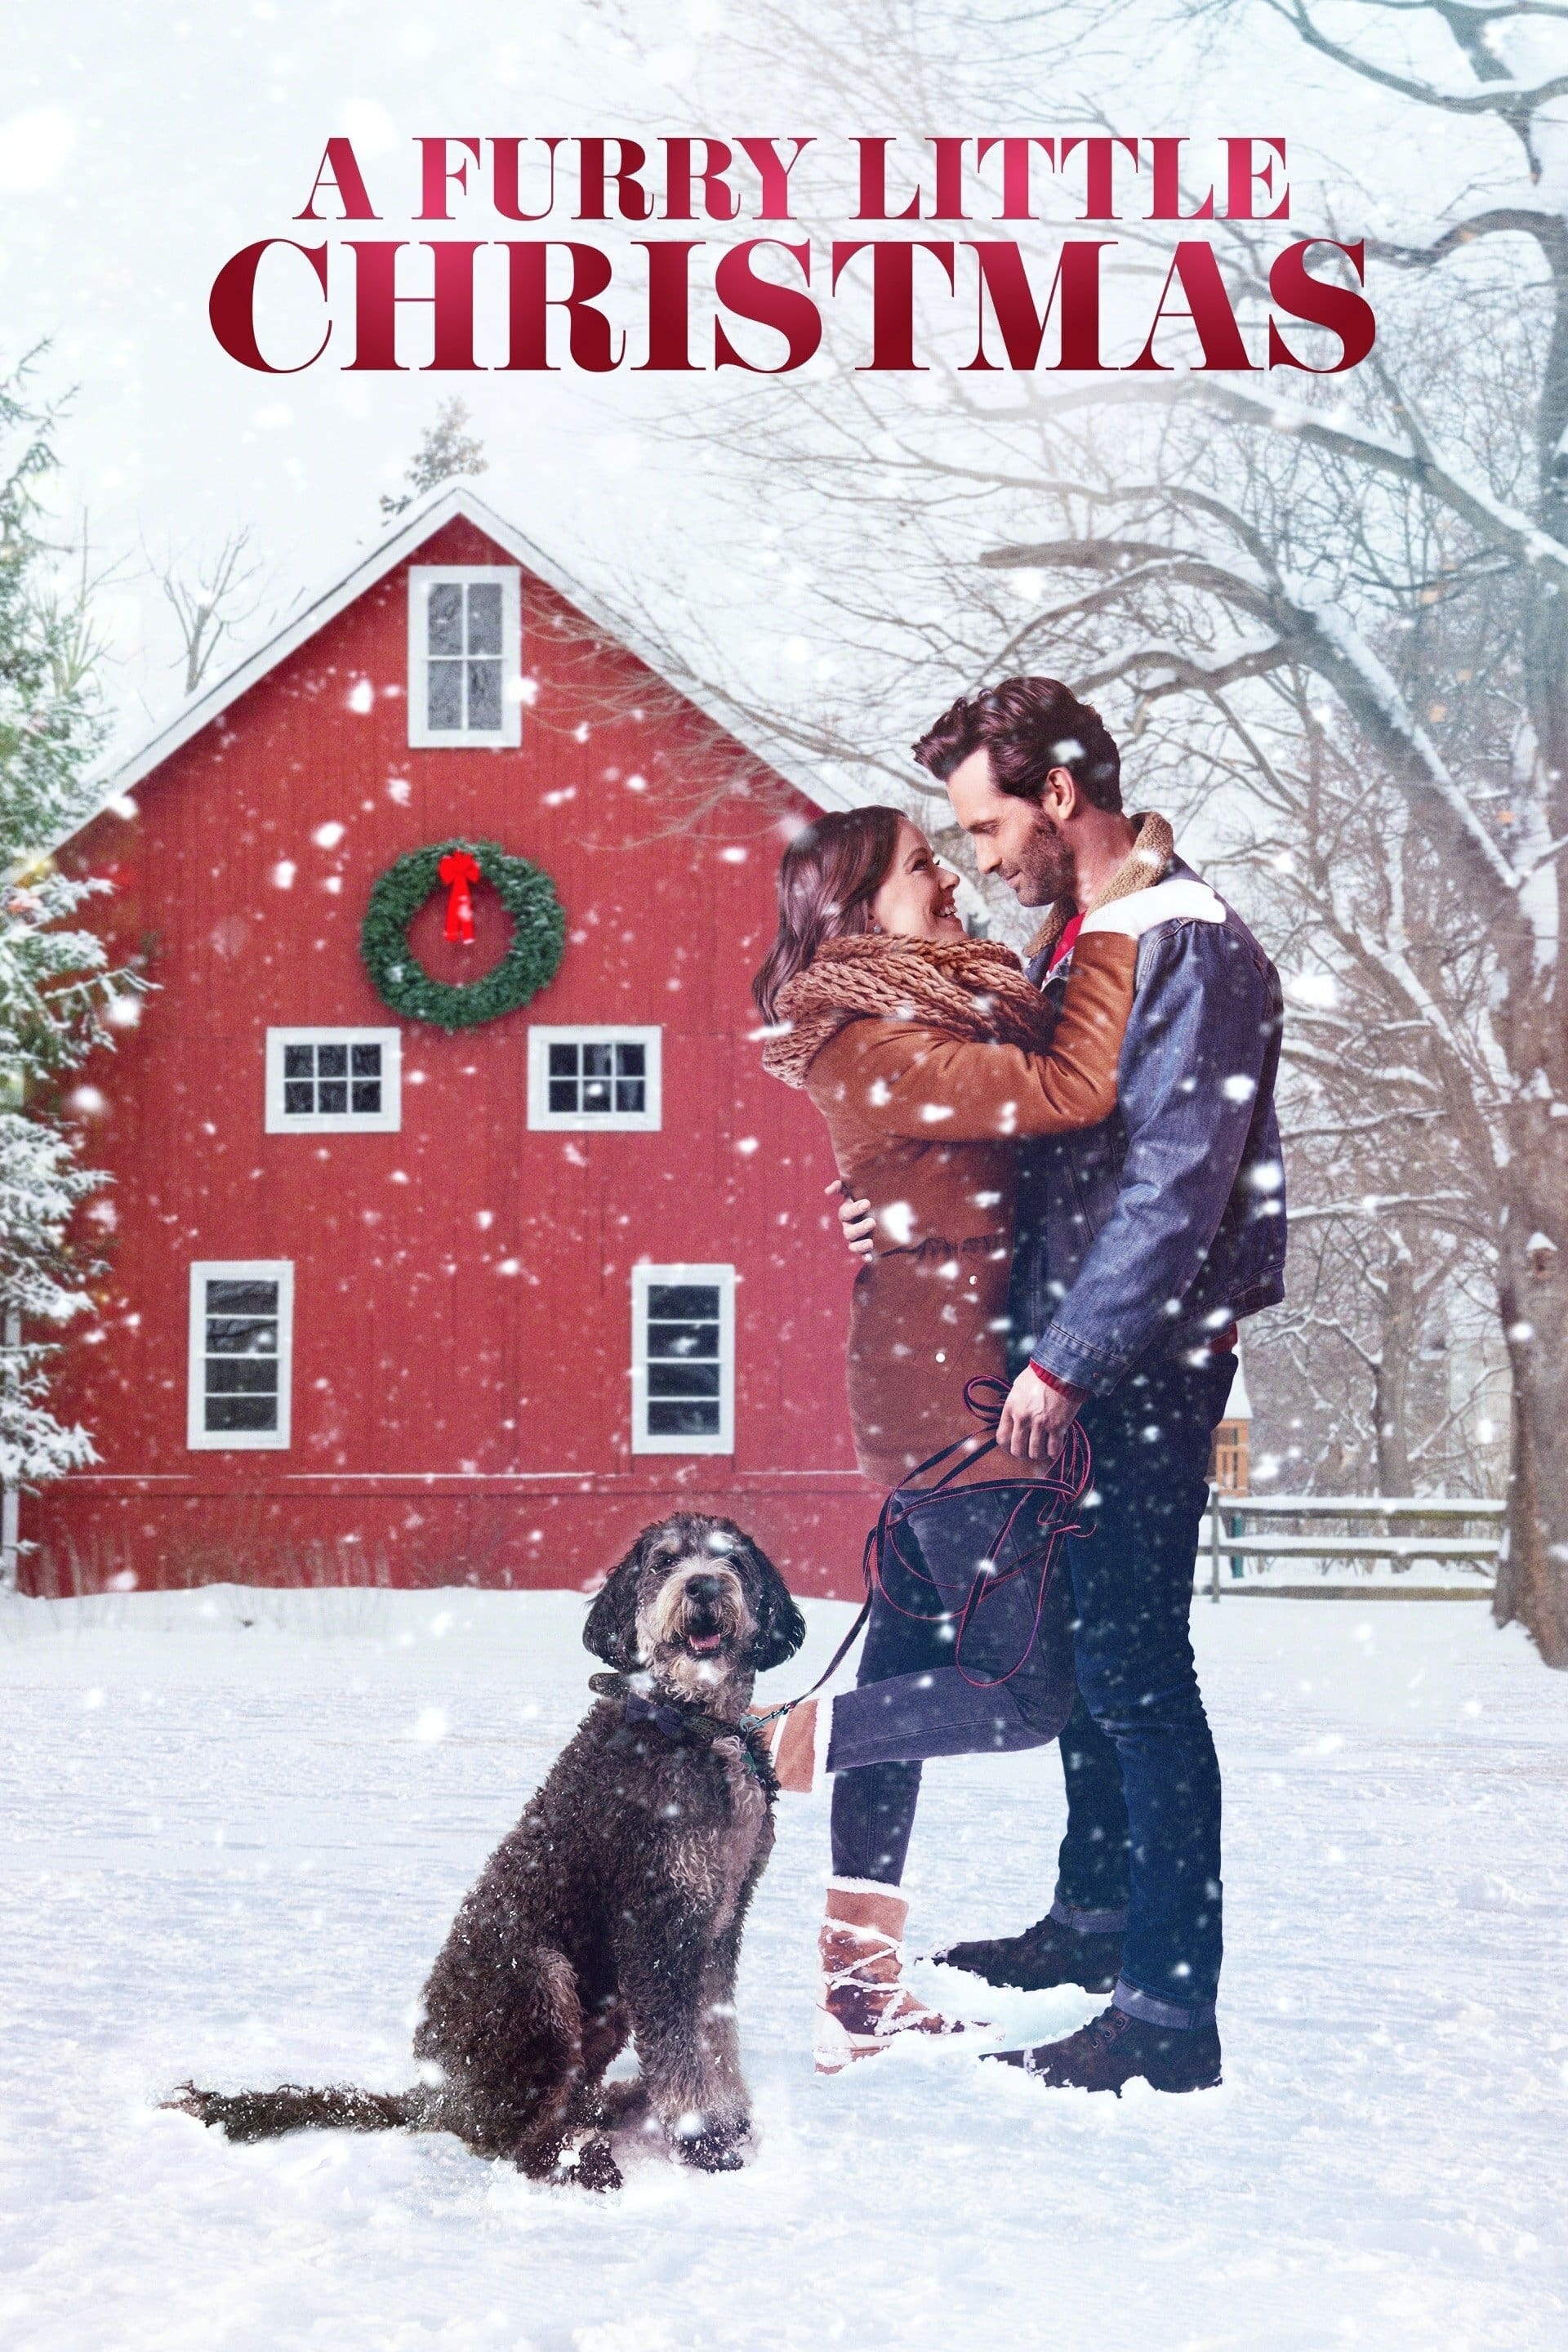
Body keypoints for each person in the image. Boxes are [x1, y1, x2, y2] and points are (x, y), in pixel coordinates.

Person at [835, 679, 1286, 2095]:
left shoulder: (1184, 941)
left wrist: (1068, 1361)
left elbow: (1173, 1187)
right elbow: (1022, 1142)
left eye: (985, 828)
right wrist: (894, 1213)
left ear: (1061, 797)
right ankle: (1095, 1922)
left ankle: (1167, 2013)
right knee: (1091, 1658)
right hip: (1070, 1353)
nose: (981, 860)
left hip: (1138, 1360)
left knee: (1142, 1677)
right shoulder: (1081, 937)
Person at [753, 804, 1223, 2071]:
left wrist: (872, 1201)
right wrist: (1124, 910)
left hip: (931, 1381)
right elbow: (1072, 1085)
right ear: (859, 914)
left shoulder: (917, 1022)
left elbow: (962, 1146)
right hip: (958, 1401)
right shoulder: (883, 1038)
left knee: (907, 1659)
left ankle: (857, 1989)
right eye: (921, 868)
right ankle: (769, 1745)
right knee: (1024, 1692)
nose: (951, 879)